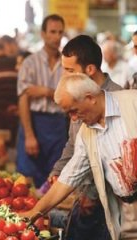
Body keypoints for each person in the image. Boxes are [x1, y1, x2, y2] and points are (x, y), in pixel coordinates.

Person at [22, 72, 137, 240]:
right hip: (127, 211)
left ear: (90, 98)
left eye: (74, 111)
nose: (74, 119)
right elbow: (69, 177)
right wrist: (34, 212)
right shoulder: (86, 133)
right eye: (69, 114)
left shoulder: (132, 102)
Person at [49, 34, 122, 240]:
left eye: (70, 70)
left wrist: (90, 193)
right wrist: (58, 170)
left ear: (89, 69)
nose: (65, 76)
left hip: (109, 202)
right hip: (83, 193)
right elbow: (74, 144)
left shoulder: (116, 100)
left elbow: (112, 158)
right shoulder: (75, 95)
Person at [16, 14, 68, 188]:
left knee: (55, 178)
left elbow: (70, 98)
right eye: (52, 32)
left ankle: (52, 216)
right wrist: (29, 135)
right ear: (43, 34)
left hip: (59, 125)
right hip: (34, 122)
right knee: (28, 180)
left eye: (60, 32)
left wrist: (46, 92)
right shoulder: (30, 63)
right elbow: (23, 99)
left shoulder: (67, 64)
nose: (57, 37)